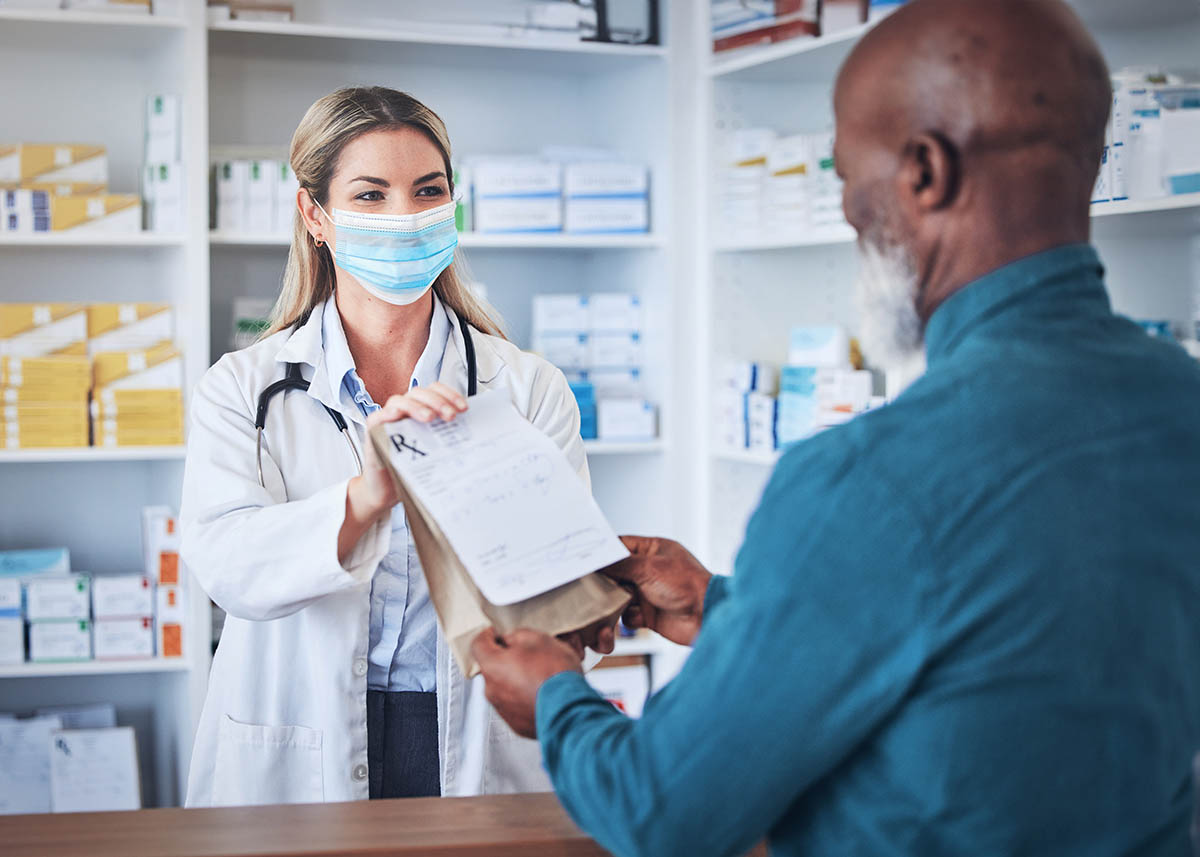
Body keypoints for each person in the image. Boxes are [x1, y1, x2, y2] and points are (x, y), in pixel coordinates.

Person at [471, 1, 1200, 854]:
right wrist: (727, 606)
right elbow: (1012, 646)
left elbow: (659, 811)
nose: (848, 209)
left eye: (846, 171)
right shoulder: (1178, 401)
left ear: (926, 171)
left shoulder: (869, 478)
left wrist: (555, 696)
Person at [180, 86, 610, 807]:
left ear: (452, 206)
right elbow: (227, 567)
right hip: (299, 736)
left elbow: (559, 594)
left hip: (473, 731)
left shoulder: (527, 390)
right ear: (315, 214)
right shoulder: (240, 389)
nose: (405, 217)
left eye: (427, 191)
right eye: (371, 195)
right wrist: (366, 495)